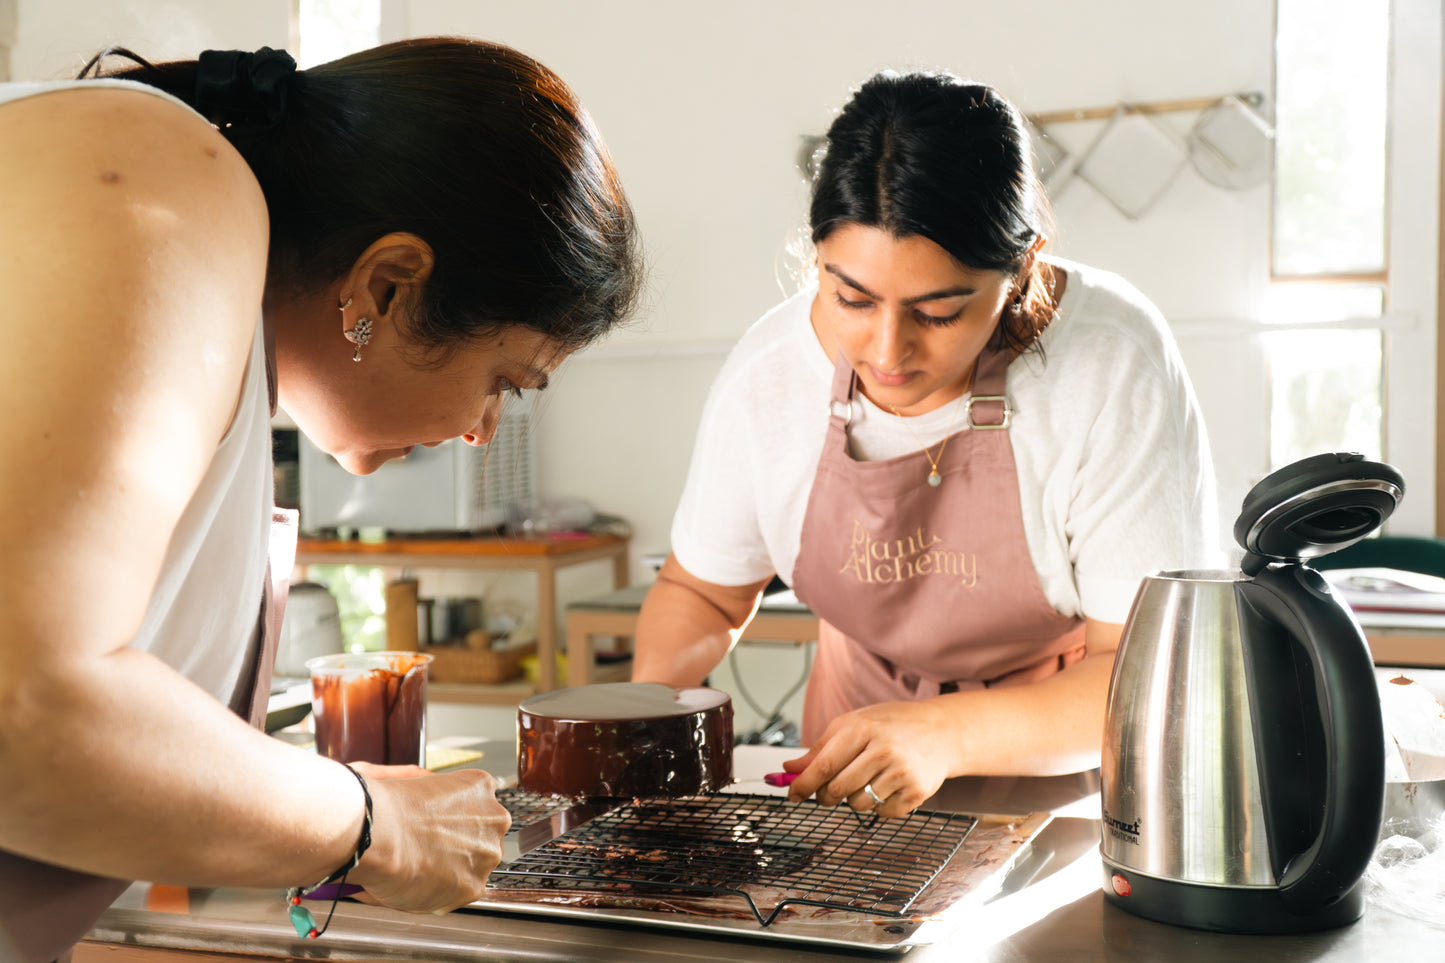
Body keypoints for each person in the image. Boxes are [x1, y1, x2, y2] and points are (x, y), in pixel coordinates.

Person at [0, 37, 640, 962]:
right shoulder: (165, 179)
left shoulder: (217, 281)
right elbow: (26, 700)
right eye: (506, 379)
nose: (481, 428)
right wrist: (372, 818)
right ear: (386, 283)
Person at [632, 71, 1217, 818]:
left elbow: (1151, 676)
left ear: (1020, 268)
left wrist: (942, 735)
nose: (886, 350)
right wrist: (646, 714)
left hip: (1066, 762)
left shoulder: (1106, 361)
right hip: (851, 766)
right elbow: (702, 592)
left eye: (938, 311)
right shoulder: (769, 376)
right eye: (850, 298)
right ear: (816, 260)